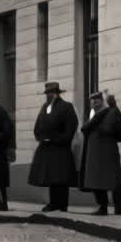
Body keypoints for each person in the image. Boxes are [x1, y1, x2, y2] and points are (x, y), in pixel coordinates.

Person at [29, 82, 79, 212]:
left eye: (51, 93)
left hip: (60, 148)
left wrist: (59, 140)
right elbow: (37, 126)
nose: (49, 95)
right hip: (46, 147)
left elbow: (71, 126)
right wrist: (41, 137)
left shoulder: (66, 107)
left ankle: (62, 204)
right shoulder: (44, 108)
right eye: (47, 93)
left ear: (57, 93)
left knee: (61, 177)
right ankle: (53, 203)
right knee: (51, 177)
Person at [79, 90, 121, 216]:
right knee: (95, 180)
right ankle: (102, 206)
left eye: (97, 100)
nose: (94, 102)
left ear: (103, 101)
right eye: (92, 100)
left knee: (113, 180)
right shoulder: (93, 113)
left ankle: (118, 207)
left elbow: (119, 133)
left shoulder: (112, 112)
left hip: (108, 150)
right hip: (93, 151)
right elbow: (84, 129)